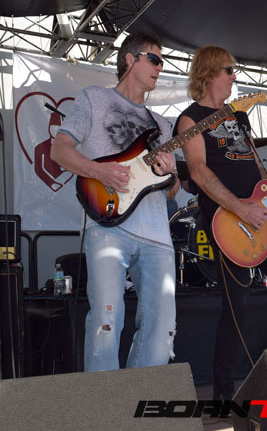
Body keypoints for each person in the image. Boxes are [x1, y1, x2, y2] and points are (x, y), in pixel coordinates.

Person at [176, 45, 267, 400]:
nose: (234, 77)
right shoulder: (190, 119)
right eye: (229, 70)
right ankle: (222, 395)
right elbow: (198, 172)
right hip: (228, 224)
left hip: (260, 219)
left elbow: (257, 168)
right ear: (209, 72)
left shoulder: (238, 117)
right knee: (237, 306)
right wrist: (240, 209)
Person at [51, 31, 177, 371]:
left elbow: (172, 190)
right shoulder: (94, 98)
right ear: (130, 59)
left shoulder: (162, 125)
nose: (160, 67)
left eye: (162, 62)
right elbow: (59, 150)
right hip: (108, 227)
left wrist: (171, 173)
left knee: (162, 333)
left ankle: (137, 400)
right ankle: (104, 403)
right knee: (106, 324)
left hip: (157, 236)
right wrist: (99, 171)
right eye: (154, 59)